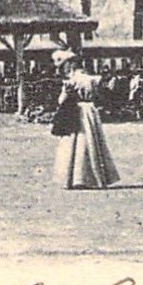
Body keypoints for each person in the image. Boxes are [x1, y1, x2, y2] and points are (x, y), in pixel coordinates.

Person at [50, 48, 120, 189]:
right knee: (91, 142)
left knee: (74, 143)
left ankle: (75, 177)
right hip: (90, 110)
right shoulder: (92, 79)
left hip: (76, 111)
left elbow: (61, 100)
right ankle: (94, 176)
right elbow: (106, 90)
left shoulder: (71, 81)